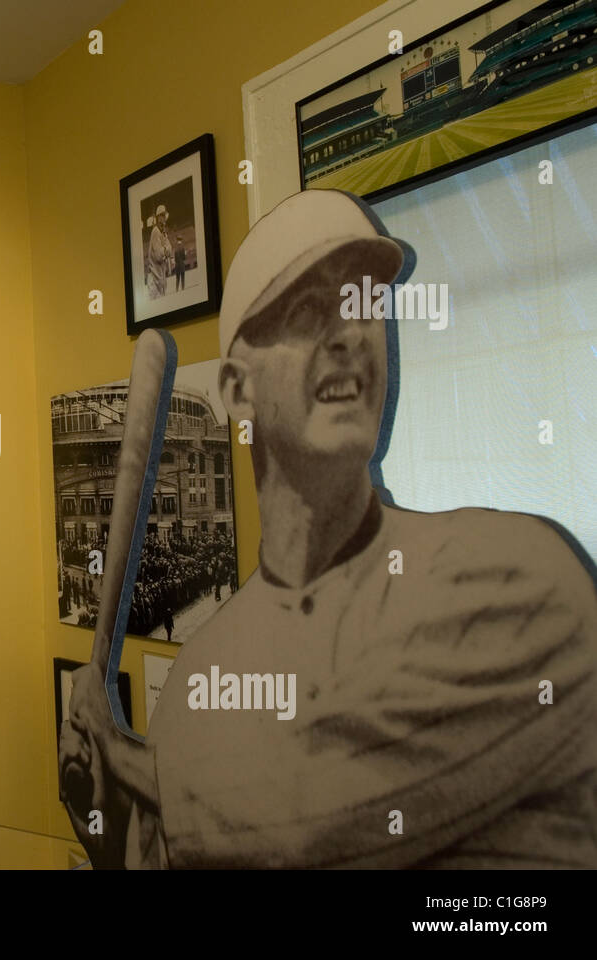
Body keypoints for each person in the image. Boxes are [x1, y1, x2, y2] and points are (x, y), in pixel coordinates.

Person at [61, 188, 597, 869]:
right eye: (310, 312)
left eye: (365, 307)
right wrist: (99, 809)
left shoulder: (517, 575)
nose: (350, 334)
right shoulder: (204, 673)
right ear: (237, 389)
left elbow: (304, 821)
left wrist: (122, 754)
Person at [146, 206, 173, 298]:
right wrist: (166, 250)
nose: (165, 217)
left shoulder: (163, 232)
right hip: (154, 278)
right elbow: (159, 255)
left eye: (165, 215)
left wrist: (166, 250)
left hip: (161, 276)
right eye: (162, 215)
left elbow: (170, 248)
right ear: (158, 217)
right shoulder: (155, 232)